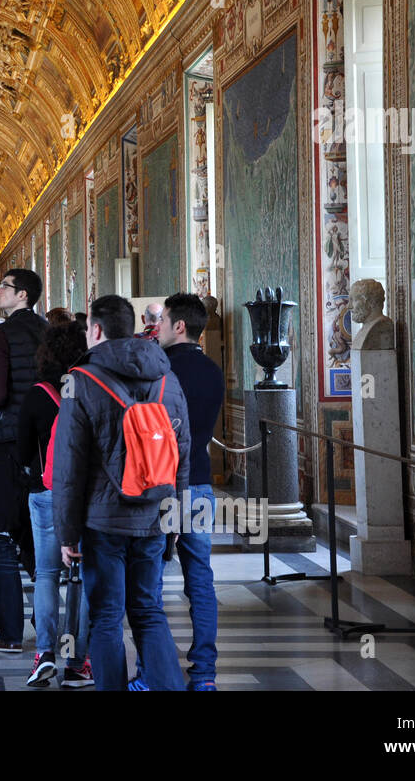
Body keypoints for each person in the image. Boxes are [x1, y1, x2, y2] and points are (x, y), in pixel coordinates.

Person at [52, 294, 191, 690]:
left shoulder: (80, 381)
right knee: (149, 611)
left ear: (94, 330)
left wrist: (67, 534)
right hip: (154, 515)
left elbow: (69, 467)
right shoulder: (166, 376)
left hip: (102, 523)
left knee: (107, 618)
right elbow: (182, 450)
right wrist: (176, 513)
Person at [156, 293, 226, 691]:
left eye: (163, 320)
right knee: (199, 577)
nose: (158, 327)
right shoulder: (214, 371)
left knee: (150, 584)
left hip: (163, 486)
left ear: (179, 325)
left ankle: (153, 671)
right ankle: (204, 673)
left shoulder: (160, 369)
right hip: (199, 482)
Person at [19, 319, 93, 688]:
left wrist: (33, 474)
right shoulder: (91, 388)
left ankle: (44, 652)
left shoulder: (36, 395)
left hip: (45, 491)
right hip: (85, 494)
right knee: (83, 577)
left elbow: (20, 450)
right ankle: (77, 662)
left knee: (46, 575)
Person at [0, 268, 47, 652]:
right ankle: (47, 625)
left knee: (0, 536)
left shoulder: (0, 333)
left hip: (7, 443)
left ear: (21, 296)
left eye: (4, 286)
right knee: (38, 539)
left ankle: (8, 633)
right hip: (43, 448)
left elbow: (0, 395)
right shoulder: (48, 330)